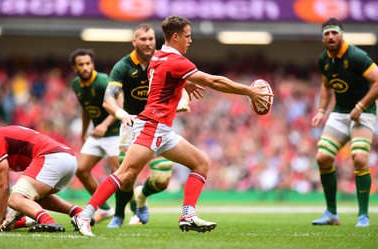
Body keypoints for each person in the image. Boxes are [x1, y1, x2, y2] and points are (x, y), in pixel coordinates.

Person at [71, 14, 271, 236]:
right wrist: (249, 91)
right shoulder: (176, 61)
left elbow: (167, 80)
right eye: (187, 36)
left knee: (200, 163)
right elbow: (213, 81)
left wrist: (186, 83)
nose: (190, 40)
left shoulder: (157, 58)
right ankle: (85, 215)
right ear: (175, 37)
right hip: (152, 126)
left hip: (161, 129)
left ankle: (187, 215)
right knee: (125, 174)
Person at [102, 23, 192, 228]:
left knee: (162, 180)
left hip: (159, 124)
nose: (148, 43)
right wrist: (121, 113)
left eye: (151, 39)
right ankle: (118, 215)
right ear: (134, 42)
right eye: (143, 39)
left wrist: (184, 100)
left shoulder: (163, 59)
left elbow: (183, 82)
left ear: (156, 40)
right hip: (133, 124)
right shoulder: (123, 66)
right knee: (126, 177)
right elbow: (108, 99)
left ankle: (141, 195)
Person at [311, 17, 378, 227]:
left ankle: (363, 216)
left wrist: (360, 106)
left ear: (342, 35)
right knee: (322, 157)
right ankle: (331, 213)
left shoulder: (357, 56)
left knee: (359, 158)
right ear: (322, 38)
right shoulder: (324, 60)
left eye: (334, 33)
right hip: (340, 112)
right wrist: (322, 110)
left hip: (364, 111)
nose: (331, 37)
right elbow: (326, 85)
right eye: (327, 34)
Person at [0, 125, 88, 232]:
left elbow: (3, 186)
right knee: (33, 196)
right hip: (69, 159)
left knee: (15, 199)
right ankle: (79, 213)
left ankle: (48, 221)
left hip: (52, 157)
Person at [70, 48, 121, 223]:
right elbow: (86, 109)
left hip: (115, 131)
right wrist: (84, 133)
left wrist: (104, 124)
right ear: (75, 68)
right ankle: (106, 209)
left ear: (92, 65)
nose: (85, 67)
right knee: (81, 170)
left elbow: (119, 104)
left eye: (87, 64)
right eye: (81, 65)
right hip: (97, 133)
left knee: (120, 173)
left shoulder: (102, 81)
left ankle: (129, 211)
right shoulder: (76, 84)